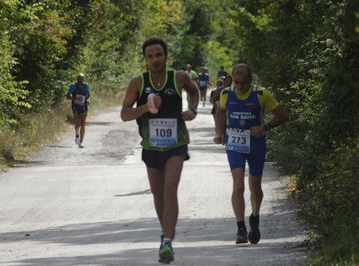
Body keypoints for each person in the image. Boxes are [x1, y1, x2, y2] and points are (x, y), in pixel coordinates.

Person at [121, 37, 199, 264]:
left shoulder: (179, 77)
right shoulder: (138, 82)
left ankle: (167, 240)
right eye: (150, 56)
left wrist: (192, 109)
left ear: (166, 56)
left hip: (176, 143)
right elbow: (124, 114)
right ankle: (165, 230)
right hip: (151, 145)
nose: (155, 59)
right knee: (157, 195)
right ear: (145, 60)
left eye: (159, 55)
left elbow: (193, 93)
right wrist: (146, 107)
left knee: (170, 189)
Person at [214, 63, 288, 245]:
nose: (239, 87)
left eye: (243, 83)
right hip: (234, 143)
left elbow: (283, 115)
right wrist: (219, 132)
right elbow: (220, 112)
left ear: (250, 81)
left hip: (256, 144)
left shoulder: (261, 94)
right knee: (238, 186)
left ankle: (254, 217)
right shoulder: (225, 93)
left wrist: (265, 127)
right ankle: (240, 228)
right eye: (236, 83)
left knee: (255, 188)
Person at [66, 73, 91, 148]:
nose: (80, 80)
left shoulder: (86, 85)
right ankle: (77, 134)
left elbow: (88, 95)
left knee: (83, 124)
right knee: (77, 123)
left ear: (84, 79)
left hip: (84, 106)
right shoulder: (73, 86)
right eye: (79, 79)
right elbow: (67, 96)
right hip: (75, 106)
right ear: (77, 79)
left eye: (82, 79)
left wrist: (88, 100)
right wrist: (75, 99)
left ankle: (81, 142)